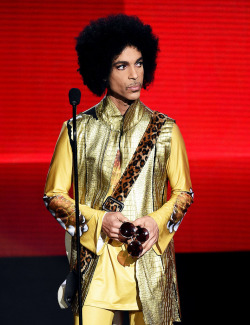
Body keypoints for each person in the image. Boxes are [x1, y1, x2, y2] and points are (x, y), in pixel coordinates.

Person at [43, 14, 194, 325]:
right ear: (102, 70)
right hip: (95, 266)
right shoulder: (77, 129)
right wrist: (100, 221)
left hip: (149, 263)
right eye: (121, 66)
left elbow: (184, 194)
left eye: (139, 63)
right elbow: (53, 196)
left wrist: (155, 222)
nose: (134, 75)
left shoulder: (165, 130)